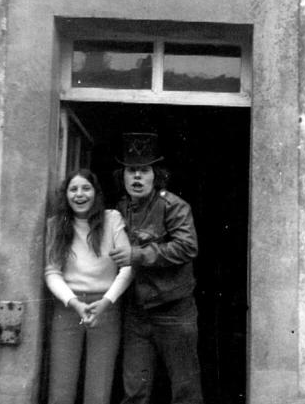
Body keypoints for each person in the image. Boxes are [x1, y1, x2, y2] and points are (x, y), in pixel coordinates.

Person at [109, 132, 203, 404]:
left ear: (156, 175)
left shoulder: (174, 206)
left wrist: (136, 254)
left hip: (174, 311)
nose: (137, 177)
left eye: (144, 171)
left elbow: (187, 247)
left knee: (186, 392)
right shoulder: (121, 208)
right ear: (123, 176)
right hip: (137, 314)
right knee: (134, 392)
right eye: (131, 171)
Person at [44, 168, 133, 404]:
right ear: (66, 195)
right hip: (68, 308)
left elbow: (128, 266)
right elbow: (52, 272)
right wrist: (73, 303)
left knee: (99, 386)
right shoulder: (56, 225)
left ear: (96, 192)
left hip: (105, 306)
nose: (79, 194)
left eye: (86, 188)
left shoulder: (112, 219)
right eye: (73, 189)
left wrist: (106, 301)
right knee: (61, 386)